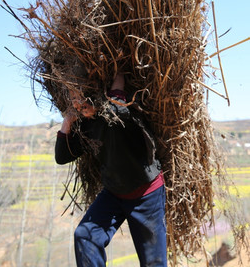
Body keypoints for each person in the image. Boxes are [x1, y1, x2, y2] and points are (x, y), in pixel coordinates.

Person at [55, 73, 167, 267]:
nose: (77, 103)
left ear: (92, 93)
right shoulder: (85, 126)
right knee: (85, 237)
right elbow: (62, 157)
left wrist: (115, 78)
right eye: (72, 99)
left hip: (146, 194)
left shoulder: (120, 112)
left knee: (153, 263)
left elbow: (118, 86)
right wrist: (67, 122)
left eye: (79, 96)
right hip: (114, 194)